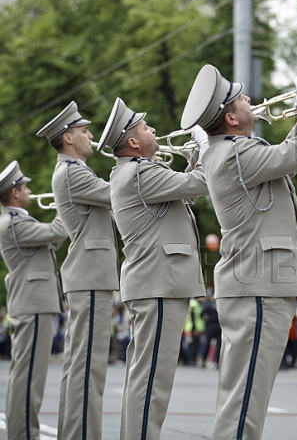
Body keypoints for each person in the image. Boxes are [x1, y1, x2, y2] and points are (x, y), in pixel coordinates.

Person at [180, 64, 297, 440]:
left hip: (254, 281)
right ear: (232, 117)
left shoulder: (231, 151)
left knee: (242, 395)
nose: (251, 99)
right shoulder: (234, 153)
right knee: (246, 399)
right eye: (242, 97)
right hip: (259, 284)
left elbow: (285, 160)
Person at [98, 97, 208, 440]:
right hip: (160, 282)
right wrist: (208, 146)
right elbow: (204, 183)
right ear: (133, 142)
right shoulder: (141, 172)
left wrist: (196, 157)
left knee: (144, 377)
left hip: (155, 282)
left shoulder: (133, 173)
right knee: (152, 382)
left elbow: (185, 193)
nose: (154, 129)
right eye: (145, 127)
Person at [37, 101, 120, 440]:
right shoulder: (72, 172)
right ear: (69, 138)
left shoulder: (74, 170)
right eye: (85, 132)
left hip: (90, 273)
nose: (92, 137)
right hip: (90, 273)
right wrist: (138, 160)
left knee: (83, 365)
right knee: (88, 367)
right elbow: (121, 193)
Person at [0, 161, 67, 439]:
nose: (29, 191)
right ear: (15, 193)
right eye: (25, 187)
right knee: (30, 378)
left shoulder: (18, 221)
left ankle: (21, 433)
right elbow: (58, 232)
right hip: (33, 302)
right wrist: (66, 200)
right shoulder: (13, 223)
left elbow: (52, 241)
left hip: (32, 302)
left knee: (25, 375)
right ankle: (25, 434)